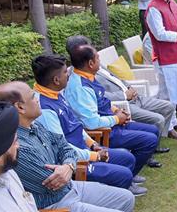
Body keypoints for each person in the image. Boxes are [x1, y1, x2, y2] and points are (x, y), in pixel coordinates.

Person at [0, 83, 134, 212]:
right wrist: (66, 166)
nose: (38, 99)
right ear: (19, 107)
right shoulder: (15, 144)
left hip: (71, 187)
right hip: (55, 204)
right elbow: (49, 180)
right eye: (33, 96)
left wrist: (68, 166)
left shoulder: (34, 125)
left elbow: (64, 147)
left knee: (126, 198)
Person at [31, 54, 143, 195]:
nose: (69, 75)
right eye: (66, 72)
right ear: (56, 79)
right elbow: (62, 148)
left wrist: (93, 144)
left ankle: (120, 191)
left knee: (127, 158)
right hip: (74, 161)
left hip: (86, 149)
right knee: (124, 174)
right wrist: (95, 156)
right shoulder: (45, 109)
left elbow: (75, 124)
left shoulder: (56, 94)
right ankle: (115, 199)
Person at [66, 44, 162, 172]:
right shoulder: (80, 88)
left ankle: (130, 170)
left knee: (153, 130)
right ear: (90, 63)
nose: (100, 61)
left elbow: (103, 101)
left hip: (113, 123)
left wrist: (117, 110)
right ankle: (128, 175)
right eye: (98, 58)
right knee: (149, 140)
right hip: (105, 131)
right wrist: (117, 119)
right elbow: (91, 122)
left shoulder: (88, 77)